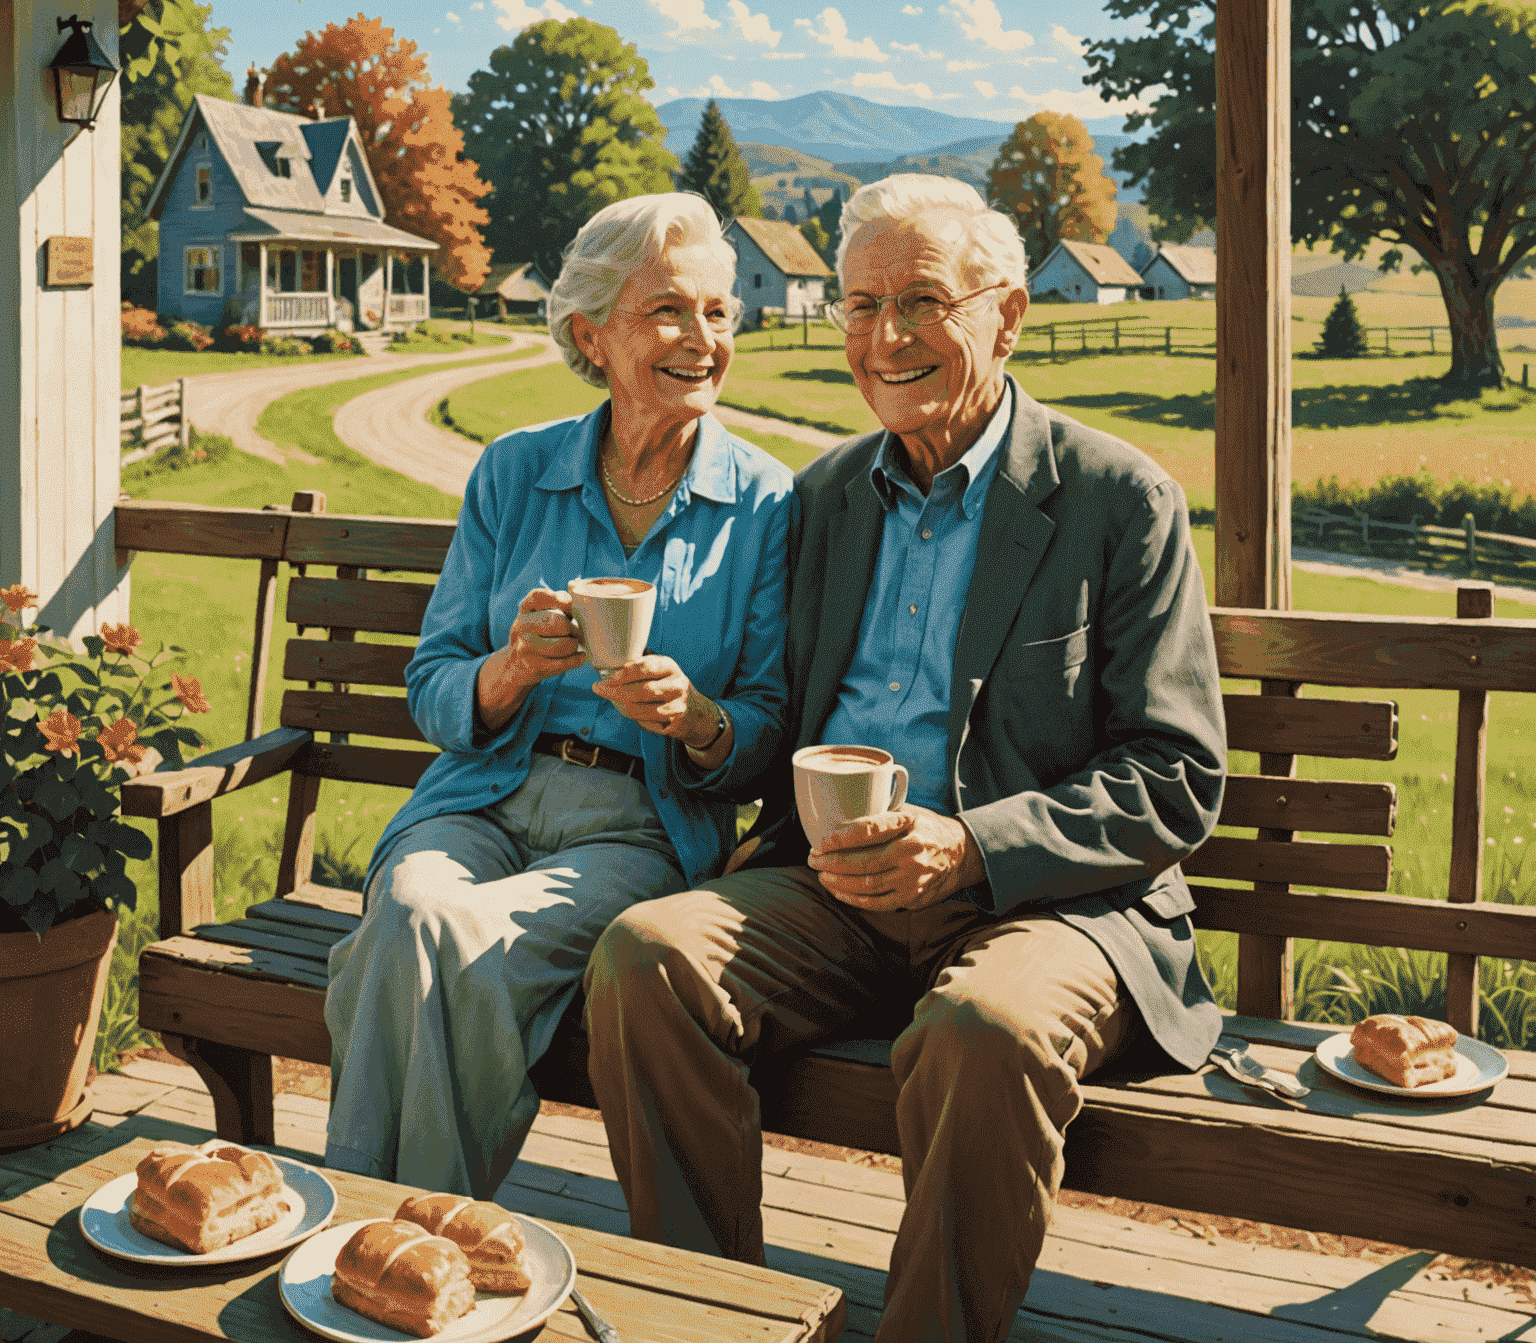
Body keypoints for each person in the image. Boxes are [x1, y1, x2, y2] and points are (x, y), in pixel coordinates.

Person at [585, 174, 1227, 1342]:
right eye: (861, 303)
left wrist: (973, 847)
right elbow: (778, 728)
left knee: (984, 1032)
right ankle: (714, 1322)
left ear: (1009, 314)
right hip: (839, 891)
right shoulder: (826, 497)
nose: (887, 337)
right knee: (648, 956)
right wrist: (704, 724)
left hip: (1050, 908)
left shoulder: (1117, 499)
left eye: (924, 300)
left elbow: (1176, 775)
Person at [325, 192, 793, 1200]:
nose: (703, 338)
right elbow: (434, 683)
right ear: (592, 332)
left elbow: (768, 726)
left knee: (444, 945)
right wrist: (512, 670)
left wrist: (697, 718)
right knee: (409, 915)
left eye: (719, 311)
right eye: (669, 310)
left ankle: (375, 1232)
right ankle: (408, 1243)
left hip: (639, 826)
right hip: (482, 796)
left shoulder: (762, 501)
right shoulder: (516, 471)